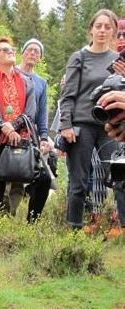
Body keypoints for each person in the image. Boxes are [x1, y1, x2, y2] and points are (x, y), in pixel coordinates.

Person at [59, 9, 124, 231]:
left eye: (108, 27)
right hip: (82, 125)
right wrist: (65, 125)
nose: (103, 31)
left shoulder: (118, 60)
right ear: (91, 29)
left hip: (111, 126)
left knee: (119, 177)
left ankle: (120, 227)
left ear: (114, 31)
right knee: (78, 181)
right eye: (99, 26)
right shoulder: (80, 57)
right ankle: (74, 230)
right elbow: (68, 95)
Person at [0, 36, 37, 213]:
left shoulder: (27, 81)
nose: (11, 52)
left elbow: (30, 112)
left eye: (12, 49)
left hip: (20, 139)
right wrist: (5, 126)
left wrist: (14, 127)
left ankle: (12, 223)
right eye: (5, 50)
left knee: (18, 184)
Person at [4, 38, 52, 221]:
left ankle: (21, 221)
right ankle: (1, 219)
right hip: (7, 132)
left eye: (37, 51)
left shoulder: (41, 83)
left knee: (30, 177)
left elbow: (42, 113)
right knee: (7, 176)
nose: (33, 53)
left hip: (29, 136)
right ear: (22, 53)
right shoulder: (11, 73)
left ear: (40, 58)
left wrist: (44, 137)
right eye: (30, 50)